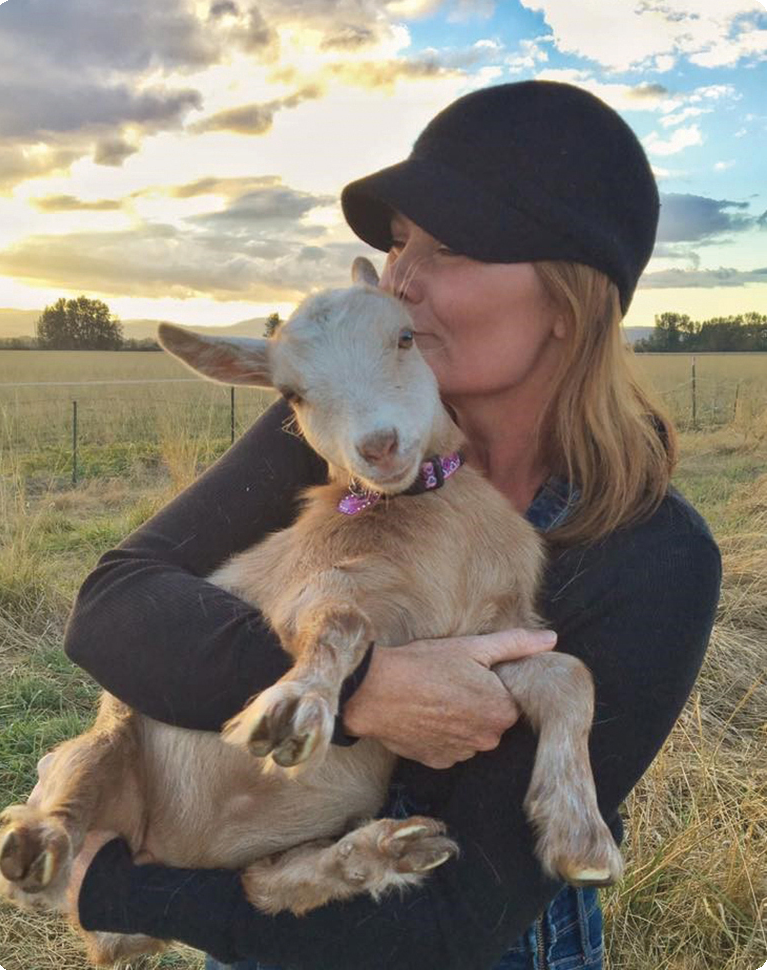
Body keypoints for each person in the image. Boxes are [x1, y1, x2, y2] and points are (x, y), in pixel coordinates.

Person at [58, 81, 720, 970]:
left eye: (446, 249)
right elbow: (112, 612)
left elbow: (444, 924)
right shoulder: (345, 439)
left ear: (569, 301)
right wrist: (362, 686)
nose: (402, 281)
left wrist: (119, 890)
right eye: (400, 242)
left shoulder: (646, 553)